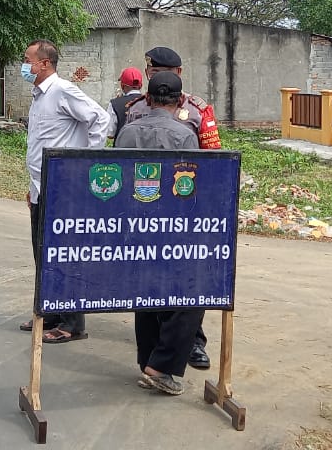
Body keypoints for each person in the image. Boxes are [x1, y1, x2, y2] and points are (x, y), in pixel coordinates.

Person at [123, 46, 220, 371]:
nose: (151, 73)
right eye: (148, 69)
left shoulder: (199, 109)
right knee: (162, 286)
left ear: (177, 73)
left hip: (178, 211)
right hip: (158, 213)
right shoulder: (133, 108)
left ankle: (193, 343)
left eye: (157, 69)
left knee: (182, 287)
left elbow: (212, 159)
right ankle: (157, 359)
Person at [115, 71, 204, 396]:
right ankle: (161, 365)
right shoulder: (185, 136)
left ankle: (148, 360)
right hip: (171, 229)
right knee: (192, 295)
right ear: (180, 101)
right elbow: (188, 187)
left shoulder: (127, 133)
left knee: (147, 291)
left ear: (147, 99)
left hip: (132, 227)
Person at [19, 39, 110, 344]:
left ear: (44, 63)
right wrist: (32, 188)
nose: (24, 65)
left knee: (65, 254)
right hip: (41, 186)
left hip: (63, 188)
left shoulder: (63, 91)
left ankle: (73, 323)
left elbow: (101, 118)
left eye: (27, 60)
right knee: (44, 254)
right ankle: (53, 313)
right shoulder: (39, 95)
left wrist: (85, 164)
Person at [106, 67, 143, 139]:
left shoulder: (115, 104)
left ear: (122, 86)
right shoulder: (151, 102)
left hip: (122, 148)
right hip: (147, 149)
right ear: (141, 85)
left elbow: (110, 133)